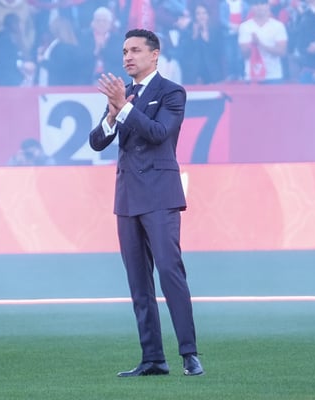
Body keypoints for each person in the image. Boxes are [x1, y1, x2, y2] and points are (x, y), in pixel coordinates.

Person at [89, 28, 203, 378]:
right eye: (125, 51)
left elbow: (157, 134)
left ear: (155, 55)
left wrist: (123, 107)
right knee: (138, 282)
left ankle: (189, 354)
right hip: (127, 197)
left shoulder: (171, 92)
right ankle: (152, 358)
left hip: (159, 195)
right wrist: (111, 116)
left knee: (169, 271)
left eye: (135, 50)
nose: (128, 56)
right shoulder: (124, 94)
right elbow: (96, 142)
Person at [238, 0, 288, 83]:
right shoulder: (244, 27)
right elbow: (244, 55)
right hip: (252, 76)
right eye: (256, 4)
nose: (259, 7)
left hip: (274, 76)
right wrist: (252, 44)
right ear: (251, 7)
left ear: (268, 6)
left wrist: (260, 44)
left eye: (262, 4)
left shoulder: (278, 26)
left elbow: (282, 52)